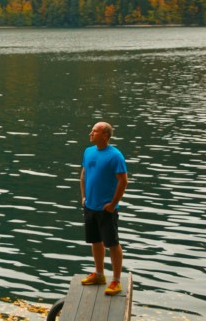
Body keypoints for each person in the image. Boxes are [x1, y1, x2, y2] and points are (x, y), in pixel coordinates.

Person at [79, 121, 128, 295]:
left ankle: (116, 280)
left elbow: (123, 180)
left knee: (112, 243)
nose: (90, 134)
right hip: (90, 206)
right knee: (95, 240)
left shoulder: (115, 156)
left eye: (94, 131)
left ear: (105, 135)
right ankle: (99, 274)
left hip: (107, 209)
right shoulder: (88, 151)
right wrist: (84, 197)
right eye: (91, 130)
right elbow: (84, 175)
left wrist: (113, 204)